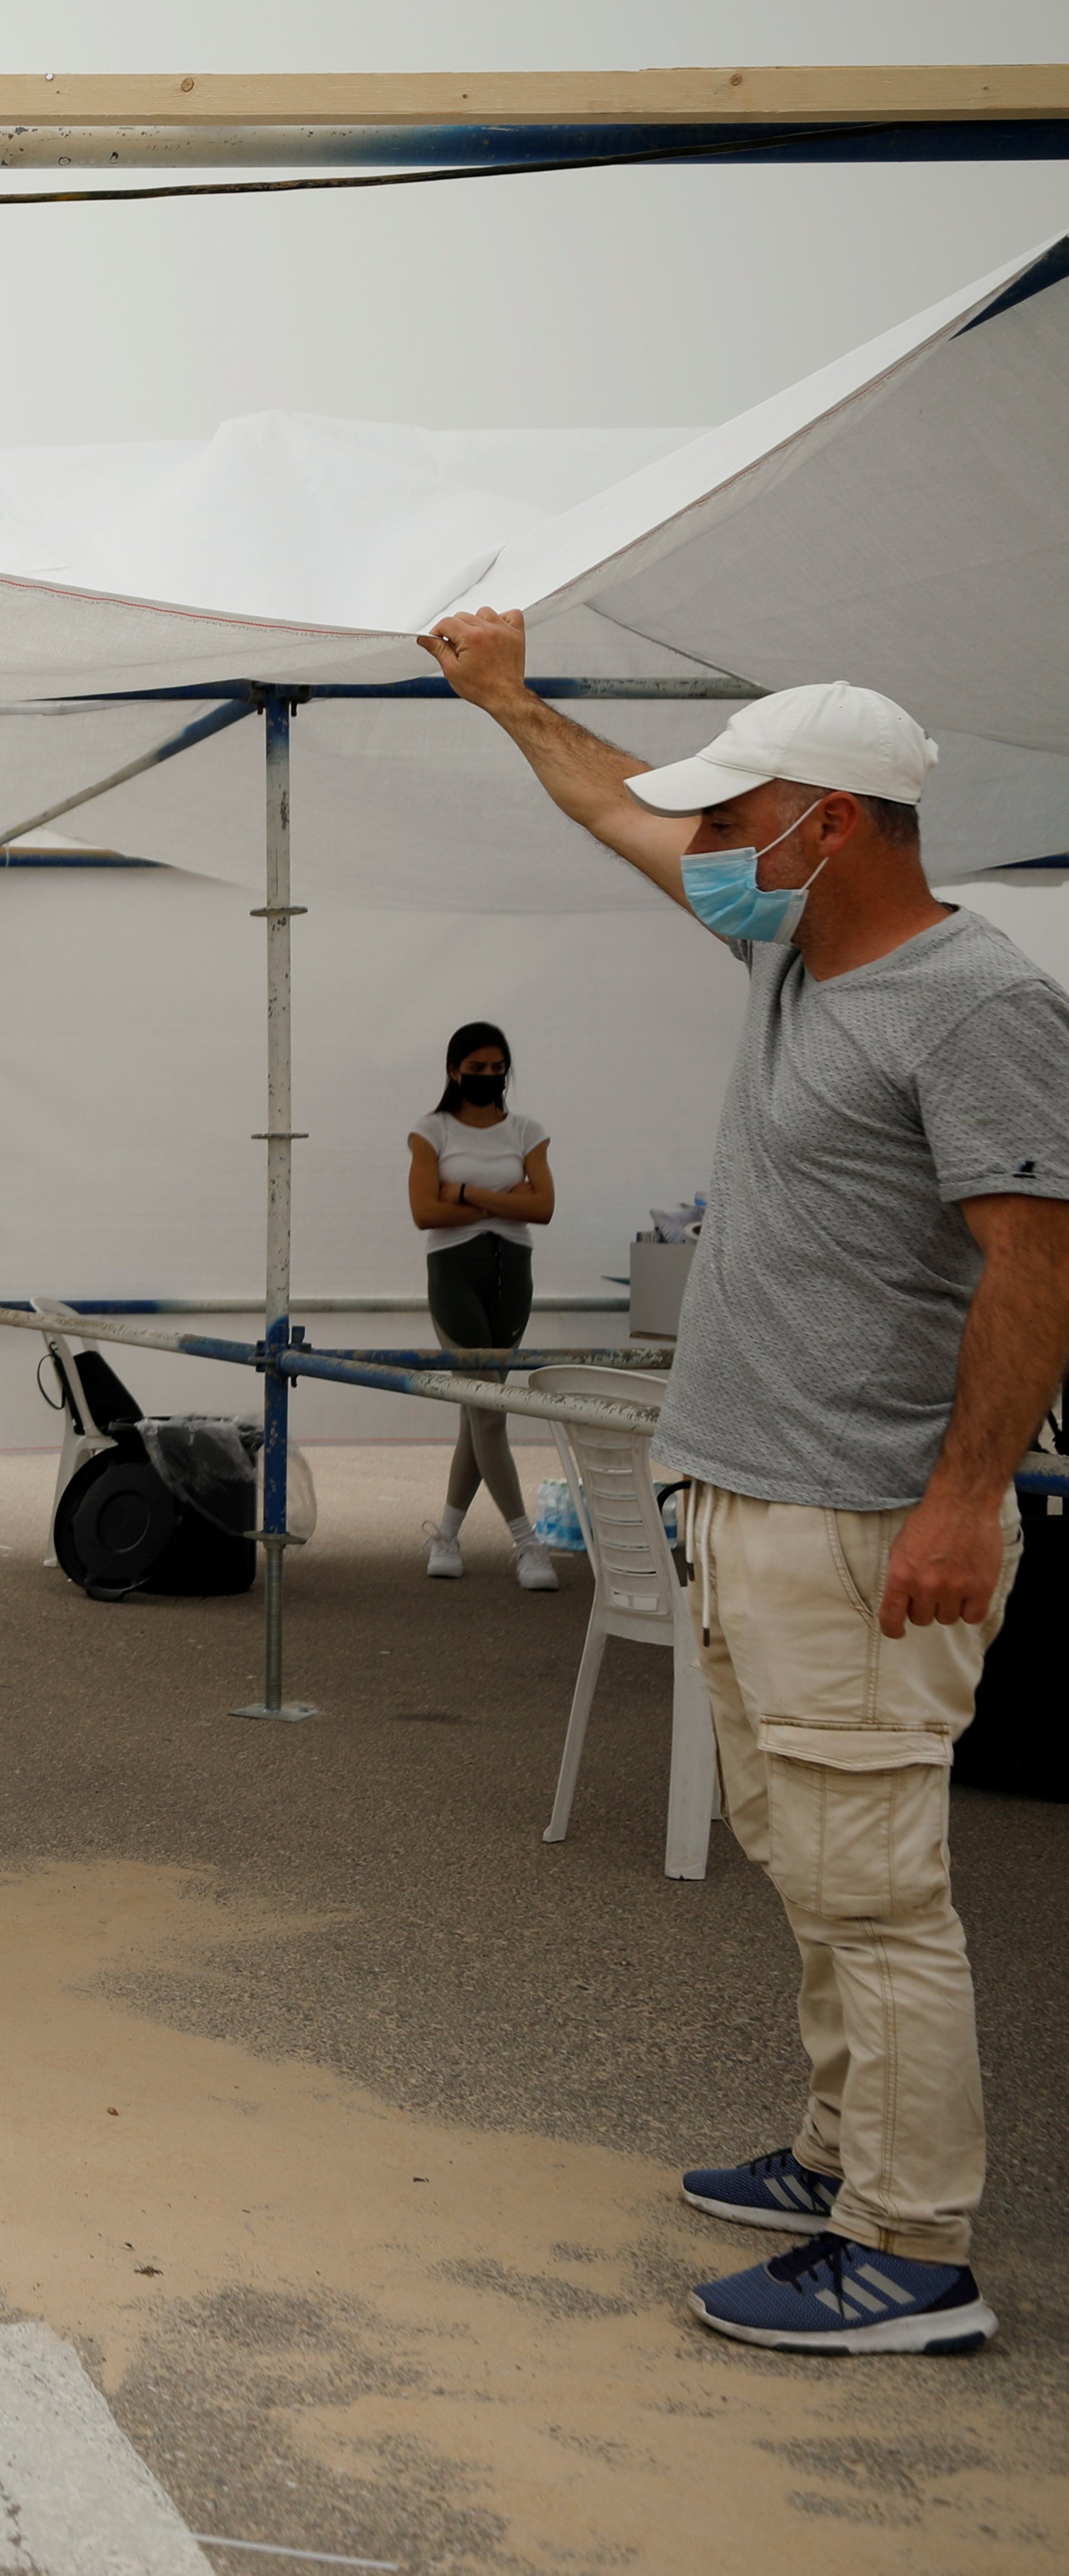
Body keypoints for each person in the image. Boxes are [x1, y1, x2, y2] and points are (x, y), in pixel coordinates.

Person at [426, 609, 1069, 2356]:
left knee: (875, 1889)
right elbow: (613, 809)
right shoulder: (793, 961)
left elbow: (1032, 1263)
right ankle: (831, 2152)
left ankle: (909, 2247)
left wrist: (961, 1496)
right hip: (745, 1495)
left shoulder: (980, 1001)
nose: (701, 849)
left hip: (860, 1517)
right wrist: (502, 699)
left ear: (830, 822)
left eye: (733, 822)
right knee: (805, 1858)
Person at [406, 1020, 559, 1591]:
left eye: (498, 1071)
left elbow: (542, 1207)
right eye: (478, 1070)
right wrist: (504, 1202)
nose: (490, 1079)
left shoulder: (527, 1130)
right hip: (454, 1274)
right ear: (454, 1071)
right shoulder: (431, 1130)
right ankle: (527, 1543)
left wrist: (465, 1194)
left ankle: (446, 1532)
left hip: (511, 1275)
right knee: (490, 1407)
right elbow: (425, 1212)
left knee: (477, 1411)